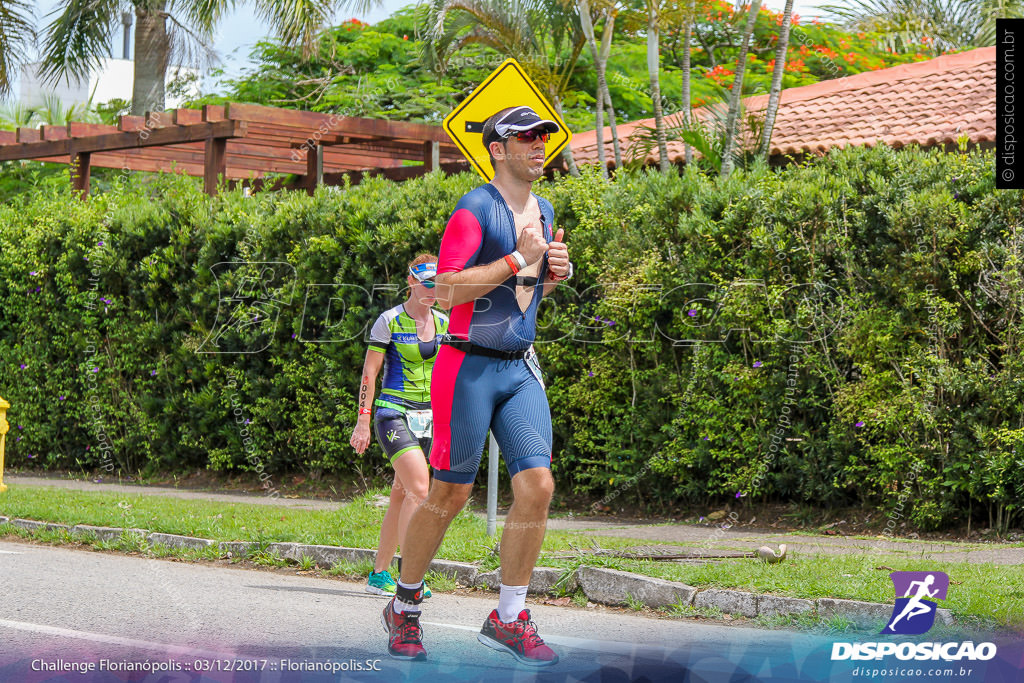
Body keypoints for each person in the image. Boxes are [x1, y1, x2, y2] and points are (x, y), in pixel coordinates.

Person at [381, 106, 572, 667]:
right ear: (497, 149)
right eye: (527, 138)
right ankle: (405, 606)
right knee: (449, 495)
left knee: (538, 485)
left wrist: (552, 273)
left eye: (544, 137)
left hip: (518, 367)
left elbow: (525, 294)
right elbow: (443, 293)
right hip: (465, 368)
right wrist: (518, 257)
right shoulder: (474, 209)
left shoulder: (547, 208)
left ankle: (508, 617)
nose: (540, 145)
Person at [350, 254, 449, 599]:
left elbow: (451, 375)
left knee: (401, 493)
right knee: (420, 490)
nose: (432, 291)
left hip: (430, 417)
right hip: (392, 413)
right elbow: (369, 374)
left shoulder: (443, 321)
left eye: (438, 285)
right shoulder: (389, 321)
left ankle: (379, 573)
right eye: (427, 284)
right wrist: (363, 421)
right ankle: (412, 577)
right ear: (410, 282)